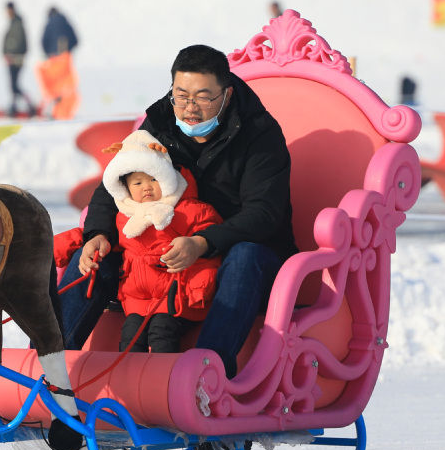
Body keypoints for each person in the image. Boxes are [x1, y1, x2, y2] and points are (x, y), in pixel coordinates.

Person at [59, 44, 296, 377]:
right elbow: (111, 186)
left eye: (202, 97)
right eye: (181, 95)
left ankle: (205, 377)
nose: (189, 108)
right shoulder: (160, 123)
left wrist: (202, 242)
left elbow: (265, 214)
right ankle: (48, 365)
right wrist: (97, 234)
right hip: (162, 256)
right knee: (93, 255)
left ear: (226, 95)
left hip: (240, 255)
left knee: (245, 256)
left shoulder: (260, 135)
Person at [98, 129, 223, 353]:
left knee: (162, 331)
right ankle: (129, 381)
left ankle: (162, 381)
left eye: (153, 179)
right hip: (138, 299)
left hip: (178, 297)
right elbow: (104, 238)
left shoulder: (189, 210)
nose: (146, 187)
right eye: (137, 183)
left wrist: (199, 281)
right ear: (126, 189)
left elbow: (211, 235)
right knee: (130, 335)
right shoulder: (124, 218)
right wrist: (63, 246)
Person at [1, 0, 36, 116]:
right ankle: (15, 106)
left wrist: (11, 54)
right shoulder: (13, 23)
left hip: (16, 59)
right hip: (12, 59)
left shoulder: (17, 23)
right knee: (13, 85)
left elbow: (20, 42)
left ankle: (29, 105)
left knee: (15, 85)